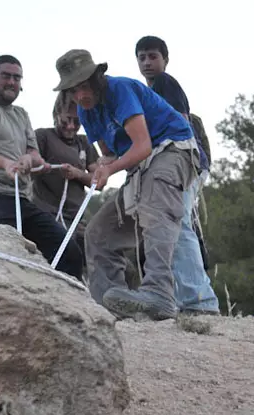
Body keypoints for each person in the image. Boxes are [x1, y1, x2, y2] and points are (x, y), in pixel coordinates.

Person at [53, 49, 199, 321]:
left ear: (98, 77)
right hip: (142, 165)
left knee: (155, 209)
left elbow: (142, 145)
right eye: (73, 90)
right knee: (98, 232)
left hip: (172, 149)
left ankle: (159, 293)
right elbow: (110, 153)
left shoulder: (119, 89)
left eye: (85, 86)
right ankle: (108, 307)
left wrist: (109, 168)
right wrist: (98, 169)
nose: (81, 95)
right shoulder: (86, 113)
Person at [0, 54, 83, 280]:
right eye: (6, 76)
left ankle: (60, 309)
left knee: (68, 252)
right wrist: (5, 163)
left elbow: (33, 153)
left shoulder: (21, 115)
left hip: (19, 200)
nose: (12, 82)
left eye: (17, 78)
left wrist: (29, 160)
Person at [135, 35, 220, 315]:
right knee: (173, 225)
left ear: (165, 60)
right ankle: (183, 298)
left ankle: (200, 301)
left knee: (178, 224)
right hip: (176, 163)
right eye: (142, 57)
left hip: (182, 160)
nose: (147, 62)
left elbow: (180, 124)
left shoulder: (164, 83)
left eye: (153, 56)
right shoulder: (149, 90)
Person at [31, 93, 100, 265]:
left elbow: (99, 182)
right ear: (56, 116)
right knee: (64, 256)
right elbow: (30, 168)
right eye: (65, 121)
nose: (70, 126)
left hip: (77, 219)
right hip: (48, 215)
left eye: (77, 122)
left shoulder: (85, 142)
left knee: (102, 254)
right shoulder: (42, 136)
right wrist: (43, 167)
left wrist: (78, 174)